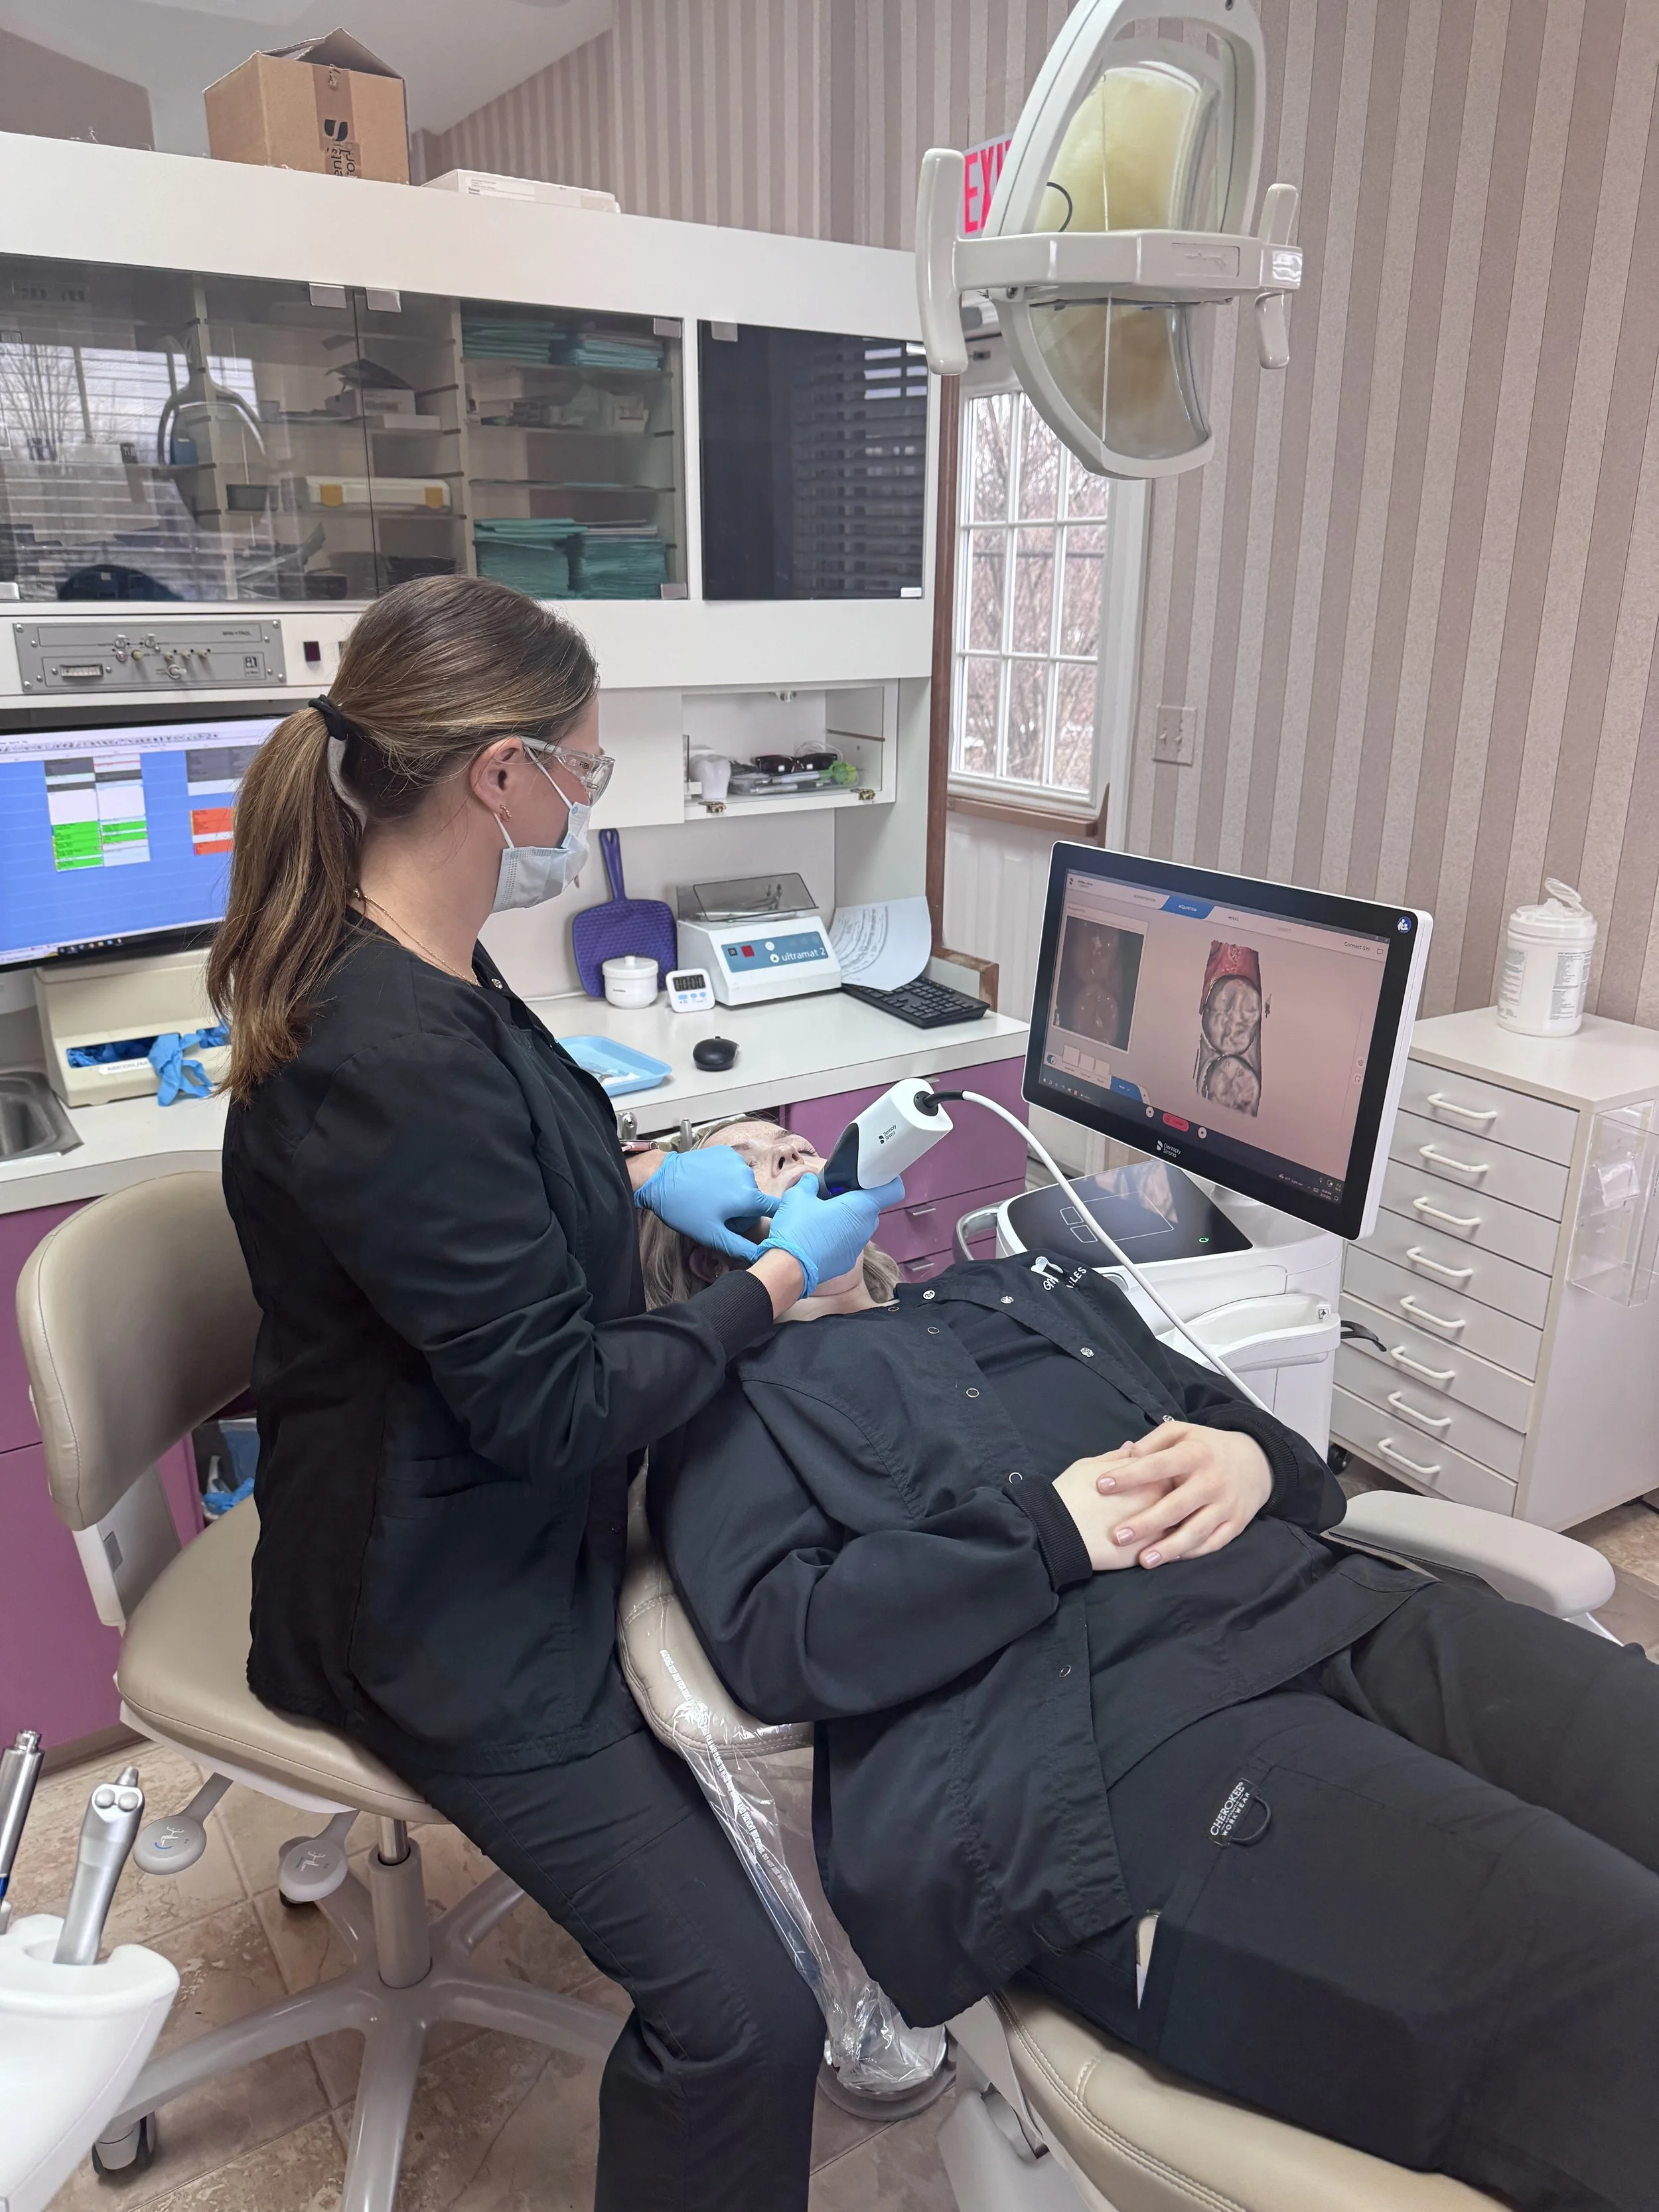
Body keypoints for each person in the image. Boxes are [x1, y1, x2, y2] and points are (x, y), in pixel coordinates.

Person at [208, 577, 903, 2212]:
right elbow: (552, 1408)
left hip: (498, 1523)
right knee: (746, 2018)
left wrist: (656, 1174)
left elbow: (517, 1157)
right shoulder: (380, 1048)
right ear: (499, 774)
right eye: (584, 766)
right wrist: (771, 1284)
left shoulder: (436, 966)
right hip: (431, 1610)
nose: (587, 799)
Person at [646, 1118, 1659, 2212]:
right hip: (1119, 1731)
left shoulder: (1025, 1287)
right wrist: (1043, 1535)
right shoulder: (726, 1405)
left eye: (790, 1144)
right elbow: (783, 1641)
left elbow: (1277, 1456)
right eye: (751, 1164)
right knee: (1614, 1972)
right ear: (705, 1254)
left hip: (1338, 1611)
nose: (797, 1158)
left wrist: (1250, 1459)